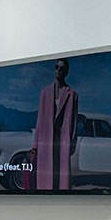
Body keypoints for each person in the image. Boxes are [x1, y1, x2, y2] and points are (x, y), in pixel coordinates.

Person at [32, 57, 79, 192]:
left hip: (62, 140)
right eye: (56, 67)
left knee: (61, 179)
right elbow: (40, 119)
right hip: (46, 140)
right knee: (45, 178)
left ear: (66, 71)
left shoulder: (72, 94)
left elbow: (74, 121)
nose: (59, 70)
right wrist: (35, 145)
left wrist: (72, 144)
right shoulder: (45, 93)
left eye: (62, 68)